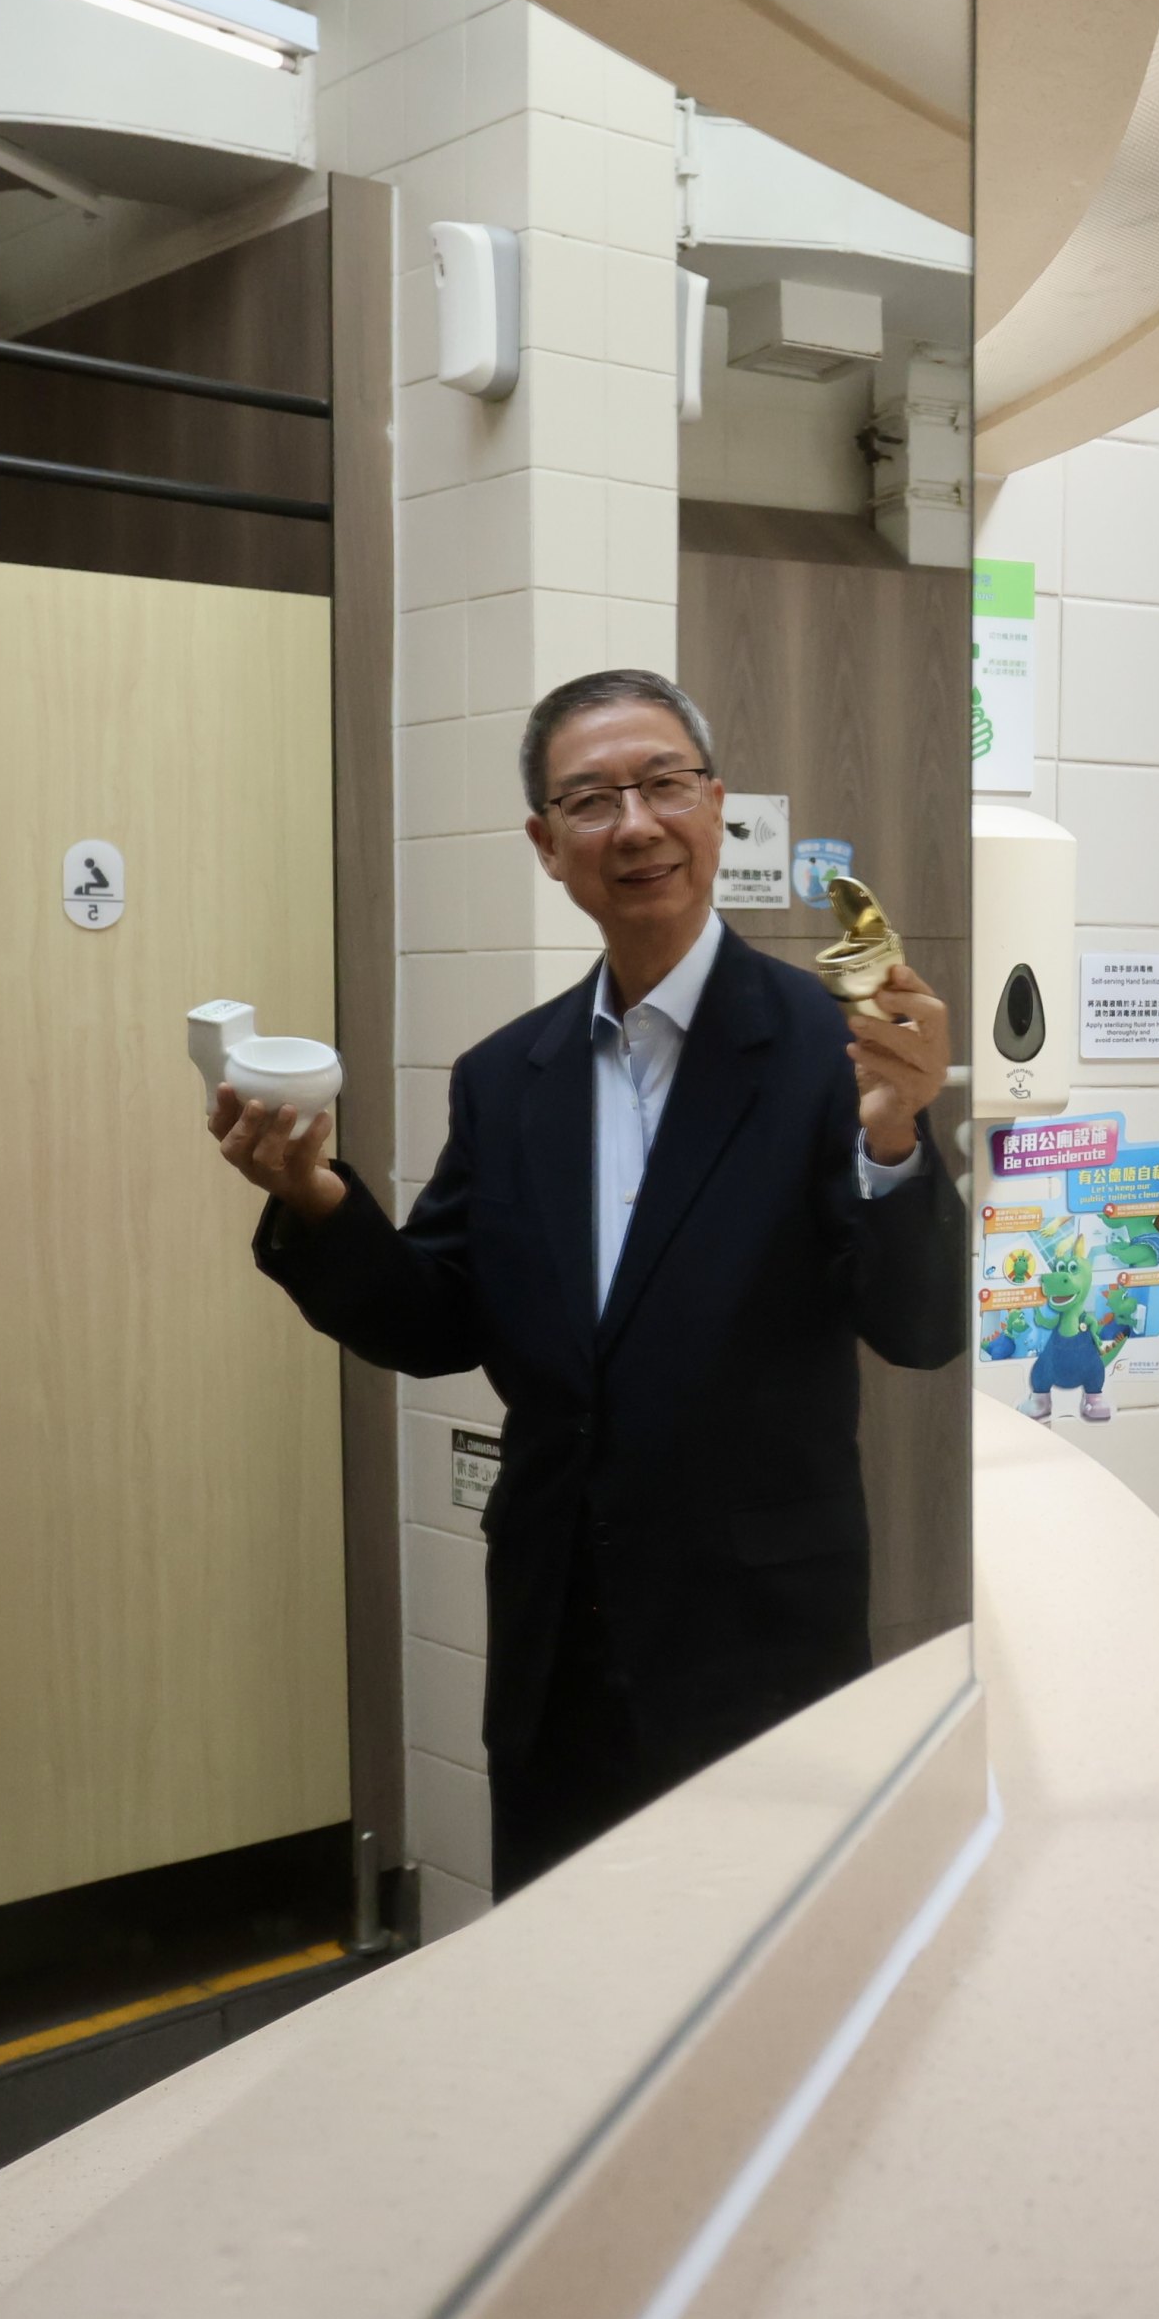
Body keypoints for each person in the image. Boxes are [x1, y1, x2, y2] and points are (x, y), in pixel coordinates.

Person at [213, 668, 967, 1895]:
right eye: (591, 800)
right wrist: (315, 1200)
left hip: (759, 1644)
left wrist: (894, 1139)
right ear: (545, 845)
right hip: (557, 1643)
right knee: (560, 1966)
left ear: (716, 806)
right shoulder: (508, 1077)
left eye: (665, 784)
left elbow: (922, 1328)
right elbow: (437, 1321)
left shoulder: (833, 1051)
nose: (636, 824)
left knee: (766, 1959)